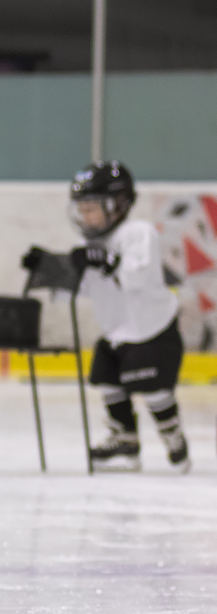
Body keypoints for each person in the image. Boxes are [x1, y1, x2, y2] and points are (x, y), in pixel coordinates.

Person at [24, 160, 189, 473]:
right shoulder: (90, 244)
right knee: (107, 379)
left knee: (155, 392)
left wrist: (107, 261)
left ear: (117, 205)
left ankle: (172, 435)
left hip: (152, 331)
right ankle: (124, 439)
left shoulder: (138, 233)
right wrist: (49, 271)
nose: (85, 216)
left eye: (92, 209)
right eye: (81, 209)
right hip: (117, 332)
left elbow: (136, 279)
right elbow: (89, 288)